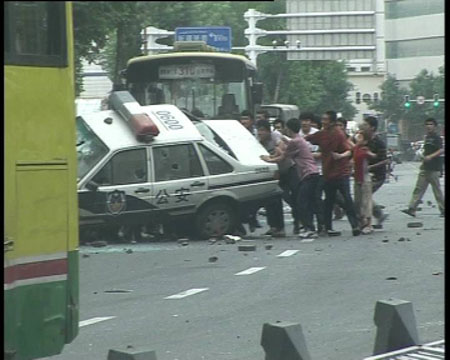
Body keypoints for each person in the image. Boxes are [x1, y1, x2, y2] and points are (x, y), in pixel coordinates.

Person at [261, 118, 320, 239]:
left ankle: (309, 228)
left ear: (289, 128)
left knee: (302, 202)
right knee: (304, 201)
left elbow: (283, 156)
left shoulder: (295, 142)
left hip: (308, 173)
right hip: (310, 173)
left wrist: (268, 159)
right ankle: (309, 227)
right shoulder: (298, 140)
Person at [305, 110, 361, 236]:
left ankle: (355, 225)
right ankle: (328, 227)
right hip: (328, 172)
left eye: (326, 120)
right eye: (323, 119)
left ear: (332, 122)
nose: (323, 122)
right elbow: (308, 139)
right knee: (329, 200)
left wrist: (340, 156)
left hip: (341, 172)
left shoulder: (339, 134)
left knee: (347, 199)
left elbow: (349, 150)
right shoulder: (322, 134)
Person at [401, 117, 445, 217]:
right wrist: (423, 156)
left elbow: (441, 150)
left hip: (434, 168)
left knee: (436, 190)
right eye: (427, 124)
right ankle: (412, 208)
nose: (429, 126)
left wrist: (431, 156)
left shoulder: (437, 138)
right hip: (425, 167)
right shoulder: (427, 138)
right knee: (419, 188)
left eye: (431, 124)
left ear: (435, 126)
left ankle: (443, 209)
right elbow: (425, 151)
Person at [256, 119, 286, 237]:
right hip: (273, 174)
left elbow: (281, 153)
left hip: (287, 169)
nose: (260, 133)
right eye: (258, 130)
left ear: (269, 131)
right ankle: (274, 227)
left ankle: (296, 224)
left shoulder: (276, 136)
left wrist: (271, 159)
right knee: (271, 199)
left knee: (290, 198)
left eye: (262, 130)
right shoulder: (258, 141)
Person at [298, 112, 325, 235]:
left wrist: (307, 155)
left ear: (311, 121)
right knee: (305, 200)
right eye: (302, 120)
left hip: (318, 171)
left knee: (316, 199)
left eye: (307, 120)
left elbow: (323, 153)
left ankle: (322, 225)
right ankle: (308, 226)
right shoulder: (297, 135)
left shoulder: (317, 134)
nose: (304, 123)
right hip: (303, 173)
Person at [363, 116, 389, 227]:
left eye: (366, 125)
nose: (363, 127)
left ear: (372, 128)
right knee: (365, 196)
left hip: (378, 175)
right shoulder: (363, 140)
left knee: (365, 196)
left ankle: (369, 220)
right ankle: (378, 215)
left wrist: (371, 167)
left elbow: (385, 160)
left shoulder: (379, 143)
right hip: (365, 174)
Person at [352, 129, 377, 234]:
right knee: (358, 202)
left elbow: (373, 155)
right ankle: (362, 222)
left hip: (365, 178)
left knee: (366, 202)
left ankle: (369, 224)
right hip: (357, 178)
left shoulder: (364, 149)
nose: (358, 137)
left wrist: (370, 154)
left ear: (365, 141)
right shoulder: (355, 148)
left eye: (361, 136)